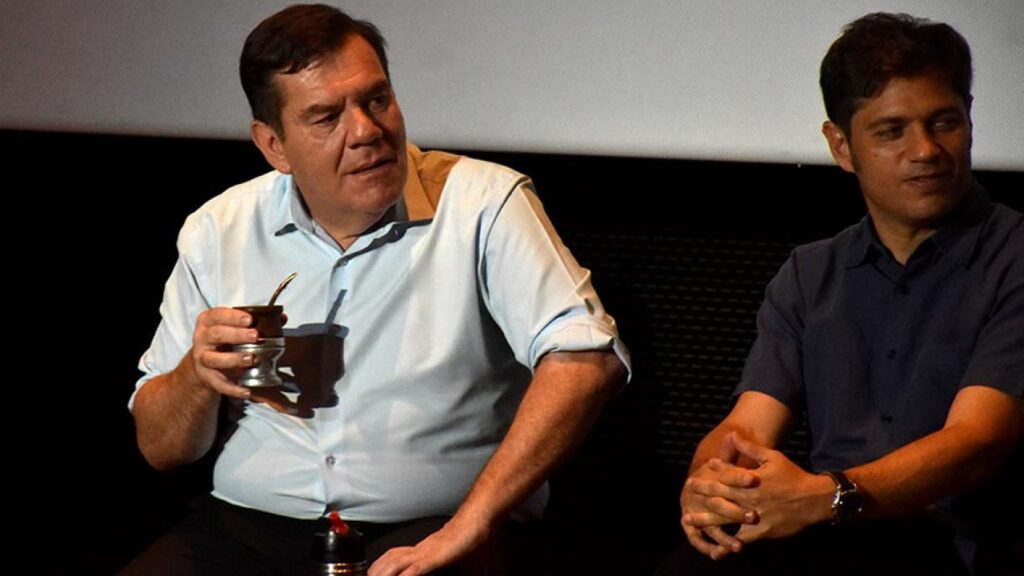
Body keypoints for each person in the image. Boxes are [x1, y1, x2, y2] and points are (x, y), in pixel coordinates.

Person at [122, 4, 628, 575]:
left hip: (432, 526)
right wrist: (197, 373)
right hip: (249, 528)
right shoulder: (220, 228)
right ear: (273, 145)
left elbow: (586, 360)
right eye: (326, 117)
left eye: (377, 99)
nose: (366, 131)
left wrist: (472, 523)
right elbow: (161, 449)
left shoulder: (483, 203)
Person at [661, 12, 1022, 576]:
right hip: (833, 543)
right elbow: (746, 428)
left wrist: (826, 497)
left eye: (944, 122)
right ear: (841, 145)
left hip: (964, 551)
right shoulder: (810, 273)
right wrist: (710, 484)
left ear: (970, 119)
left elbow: (978, 440)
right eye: (892, 131)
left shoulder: (1014, 255)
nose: (926, 150)